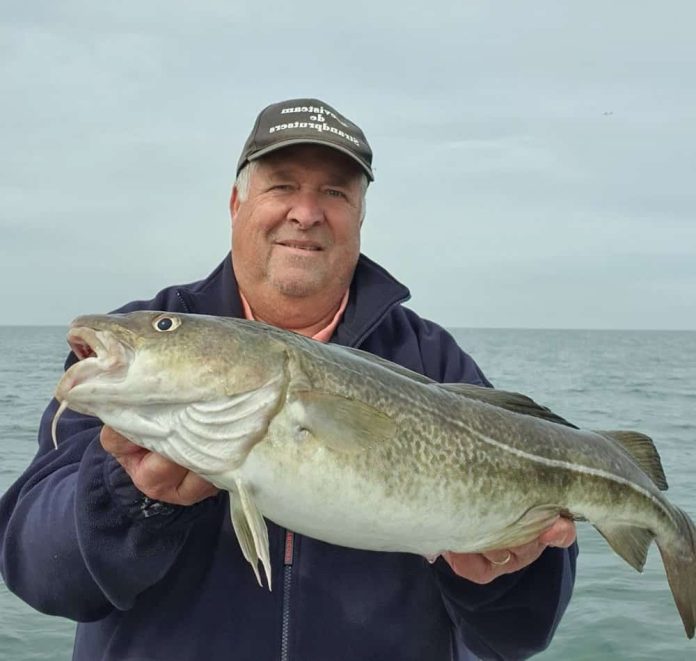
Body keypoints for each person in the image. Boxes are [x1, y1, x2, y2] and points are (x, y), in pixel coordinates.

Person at [0, 98, 577, 661]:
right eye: (281, 185)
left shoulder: (432, 362)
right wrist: (130, 498)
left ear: (360, 216)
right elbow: (39, 573)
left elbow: (519, 634)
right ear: (236, 203)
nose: (306, 212)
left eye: (334, 192)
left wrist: (501, 574)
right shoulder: (136, 355)